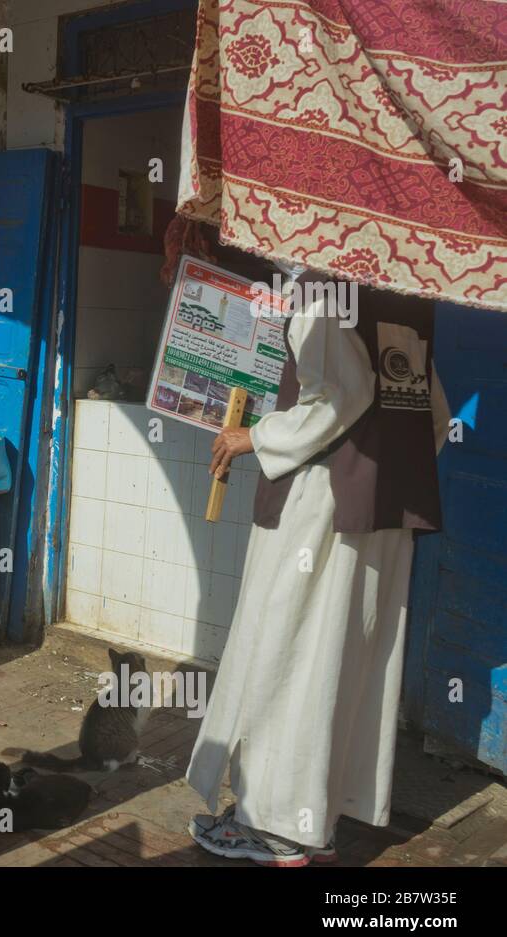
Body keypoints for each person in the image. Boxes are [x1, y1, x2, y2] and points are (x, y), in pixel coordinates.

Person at [186, 268, 450, 867]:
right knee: (347, 662)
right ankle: (316, 821)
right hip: (382, 515)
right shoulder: (404, 299)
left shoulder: (322, 288)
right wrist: (384, 474)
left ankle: (277, 828)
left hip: (322, 513)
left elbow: (341, 394)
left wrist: (254, 438)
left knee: (290, 654)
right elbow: (434, 414)